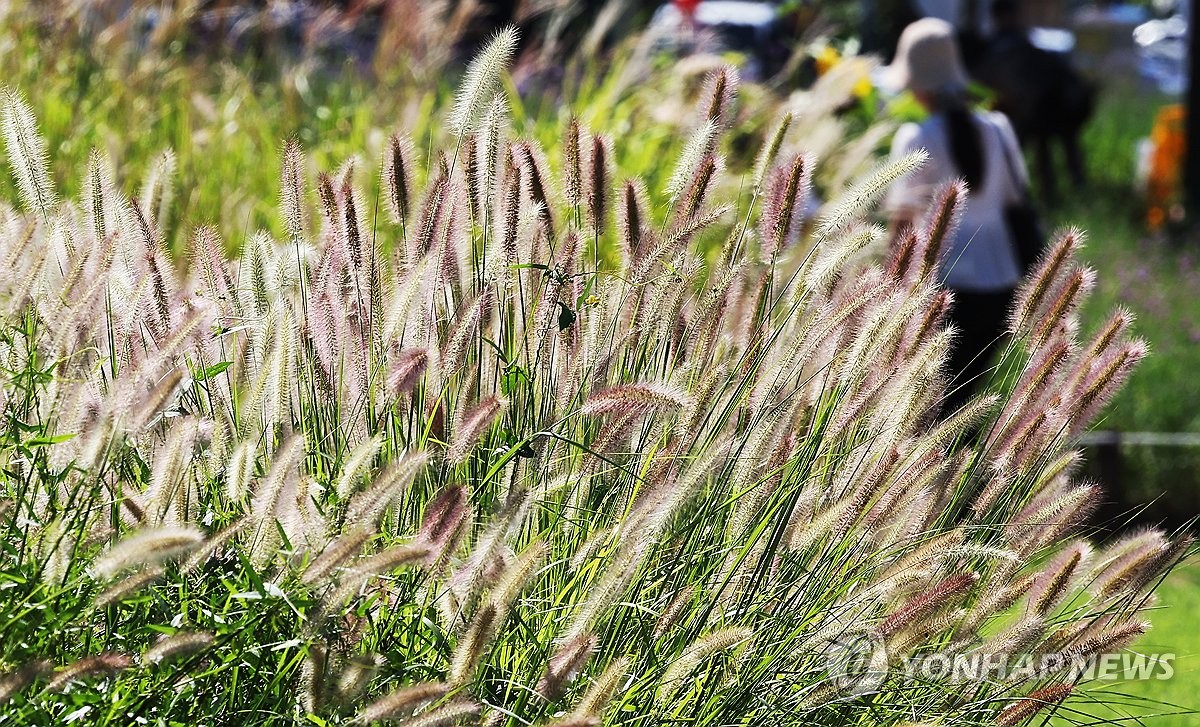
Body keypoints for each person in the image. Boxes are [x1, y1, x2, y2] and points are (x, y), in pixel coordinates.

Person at [883, 17, 1029, 411]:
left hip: (944, 291)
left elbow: (901, 230)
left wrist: (884, 299)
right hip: (1002, 289)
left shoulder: (916, 139)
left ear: (918, 81)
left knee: (927, 409)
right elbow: (1016, 200)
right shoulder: (998, 129)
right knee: (962, 403)